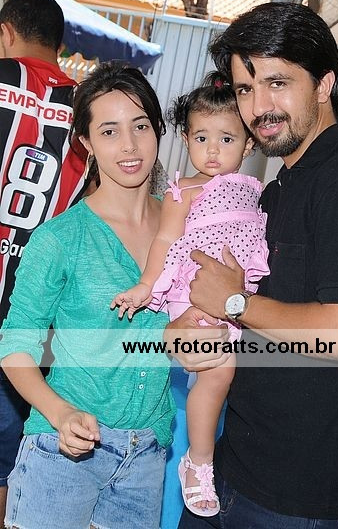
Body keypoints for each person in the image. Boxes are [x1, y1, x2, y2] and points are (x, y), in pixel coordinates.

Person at [164, 2, 338, 528]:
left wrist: (234, 302)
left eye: (277, 83)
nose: (259, 107)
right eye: (245, 89)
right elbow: (239, 312)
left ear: (323, 85)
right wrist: (183, 329)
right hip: (233, 464)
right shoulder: (274, 191)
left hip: (296, 499)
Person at [0, 61, 176, 529]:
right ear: (86, 142)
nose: (129, 146)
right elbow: (15, 346)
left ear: (158, 130)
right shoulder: (59, 238)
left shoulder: (184, 227)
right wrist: (60, 413)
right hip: (62, 456)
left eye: (141, 126)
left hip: (146, 457)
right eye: (110, 131)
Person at [112, 74, 269, 517]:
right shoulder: (183, 192)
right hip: (192, 291)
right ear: (185, 139)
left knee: (222, 376)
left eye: (226, 139)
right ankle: (198, 462)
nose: (213, 150)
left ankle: (200, 456)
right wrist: (146, 285)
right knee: (217, 373)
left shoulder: (252, 190)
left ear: (249, 144)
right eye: (202, 138)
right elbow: (164, 240)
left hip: (234, 299)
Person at [0, 0, 87, 526]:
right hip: (35, 324)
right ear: (58, 45)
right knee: (9, 466)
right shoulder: (89, 112)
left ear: (6, 33)